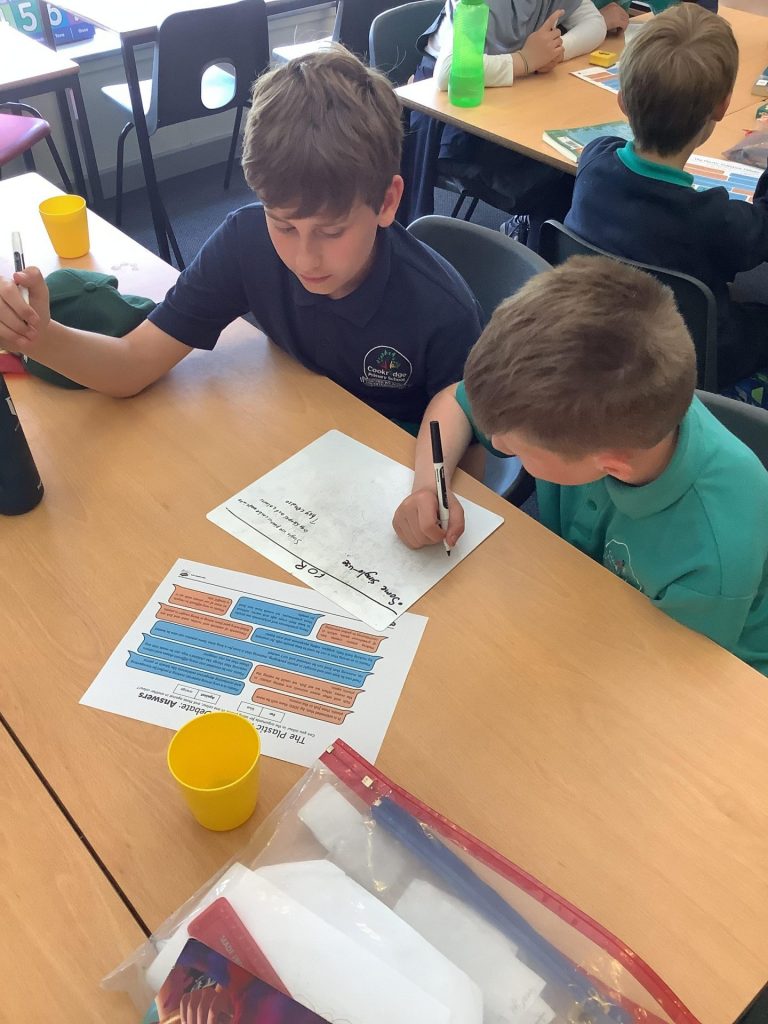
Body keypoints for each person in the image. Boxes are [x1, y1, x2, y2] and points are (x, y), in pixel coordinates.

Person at [0, 47, 481, 435]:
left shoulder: (443, 311)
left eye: (331, 231)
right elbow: (132, 364)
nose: (304, 259)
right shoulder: (246, 241)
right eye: (284, 225)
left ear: (387, 201)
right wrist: (40, 339)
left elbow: (473, 455)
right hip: (302, 434)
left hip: (393, 459)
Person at [392, 257, 768, 674]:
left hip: (708, 669)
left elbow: (672, 674)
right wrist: (427, 486)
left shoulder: (712, 550)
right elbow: (453, 403)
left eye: (519, 448)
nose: (495, 443)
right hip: (582, 597)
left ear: (611, 466)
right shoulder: (596, 417)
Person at [564, 3, 768, 393]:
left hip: (596, 335)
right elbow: (762, 229)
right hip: (690, 359)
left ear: (623, 101)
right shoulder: (716, 221)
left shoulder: (594, 161)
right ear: (723, 106)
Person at [403, 0, 606, 243]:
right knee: (562, 177)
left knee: (579, 163)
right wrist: (526, 61)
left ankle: (534, 241)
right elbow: (449, 72)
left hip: (509, 93)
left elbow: (594, 23)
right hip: (451, 113)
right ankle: (533, 247)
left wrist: (554, 53)